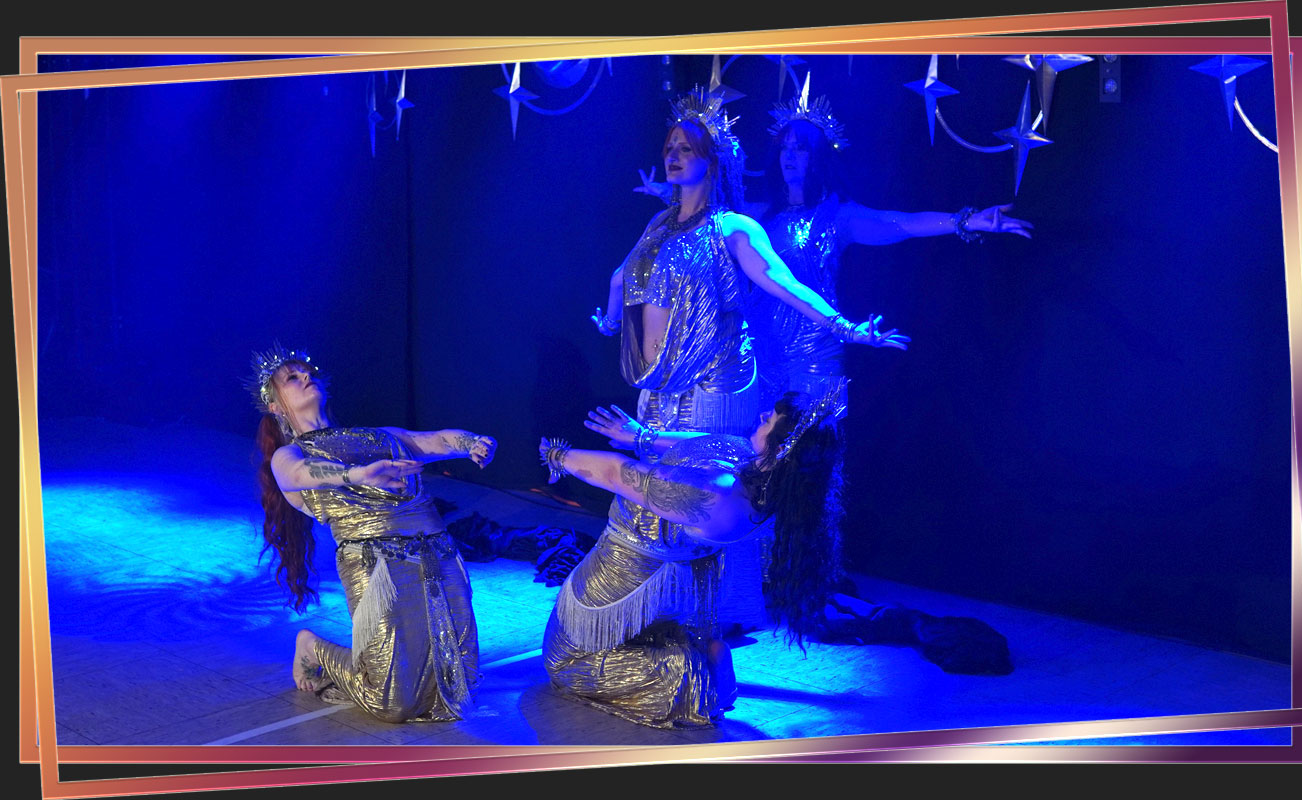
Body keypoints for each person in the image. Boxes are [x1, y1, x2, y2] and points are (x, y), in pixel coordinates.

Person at [592, 87, 905, 632]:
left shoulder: (736, 228)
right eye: (670, 146)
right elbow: (622, 276)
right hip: (659, 383)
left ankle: (720, 615)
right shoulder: (659, 225)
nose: (673, 154)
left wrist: (846, 327)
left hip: (716, 384)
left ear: (713, 161)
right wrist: (612, 320)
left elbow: (784, 284)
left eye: (687, 148)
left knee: (708, 495)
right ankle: (661, 606)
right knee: (658, 490)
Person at [634, 78, 1032, 410]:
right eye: (784, 148)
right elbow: (705, 209)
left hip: (814, 357)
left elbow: (902, 224)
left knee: (807, 465)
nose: (789, 156)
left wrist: (965, 220)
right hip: (759, 355)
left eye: (800, 149)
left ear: (818, 158)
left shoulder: (838, 216)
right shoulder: (755, 216)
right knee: (756, 464)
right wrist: (665, 190)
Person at [539, 382, 847, 728]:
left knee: (565, 661)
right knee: (642, 642)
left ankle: (692, 678)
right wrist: (642, 436)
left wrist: (557, 457)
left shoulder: (717, 496)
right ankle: (697, 657)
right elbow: (708, 443)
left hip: (620, 583)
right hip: (663, 594)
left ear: (780, 450)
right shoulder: (769, 486)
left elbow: (615, 473)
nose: (762, 415)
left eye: (769, 420)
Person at [248, 343, 496, 723]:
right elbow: (299, 475)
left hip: (438, 555)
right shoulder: (290, 455)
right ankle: (313, 647)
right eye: (293, 378)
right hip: (374, 565)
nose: (306, 377)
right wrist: (359, 474)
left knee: (460, 684)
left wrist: (472, 443)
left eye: (308, 372)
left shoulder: (379, 437)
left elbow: (436, 440)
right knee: (391, 702)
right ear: (276, 406)